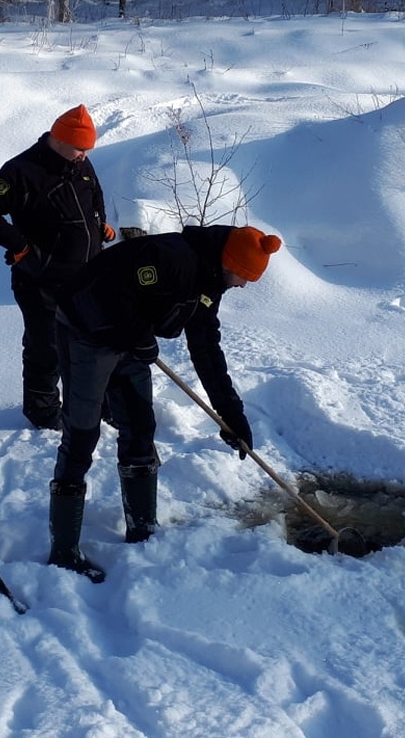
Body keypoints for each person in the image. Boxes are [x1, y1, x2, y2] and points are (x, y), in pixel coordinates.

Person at [45, 223, 283, 582]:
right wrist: (137, 336)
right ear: (228, 262)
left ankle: (142, 530)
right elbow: (109, 291)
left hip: (127, 339)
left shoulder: (210, 280)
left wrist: (231, 414)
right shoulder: (173, 258)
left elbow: (205, 348)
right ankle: (63, 551)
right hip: (84, 330)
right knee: (81, 434)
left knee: (141, 428)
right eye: (243, 276)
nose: (243, 285)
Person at [0, 104, 116, 430]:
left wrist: (99, 225)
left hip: (85, 276)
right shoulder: (21, 171)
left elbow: (94, 194)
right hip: (41, 280)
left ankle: (98, 403)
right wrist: (21, 248)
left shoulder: (79, 160)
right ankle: (43, 413)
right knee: (46, 347)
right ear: (59, 139)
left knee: (93, 343)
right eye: (80, 148)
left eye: (88, 149)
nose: (85, 155)